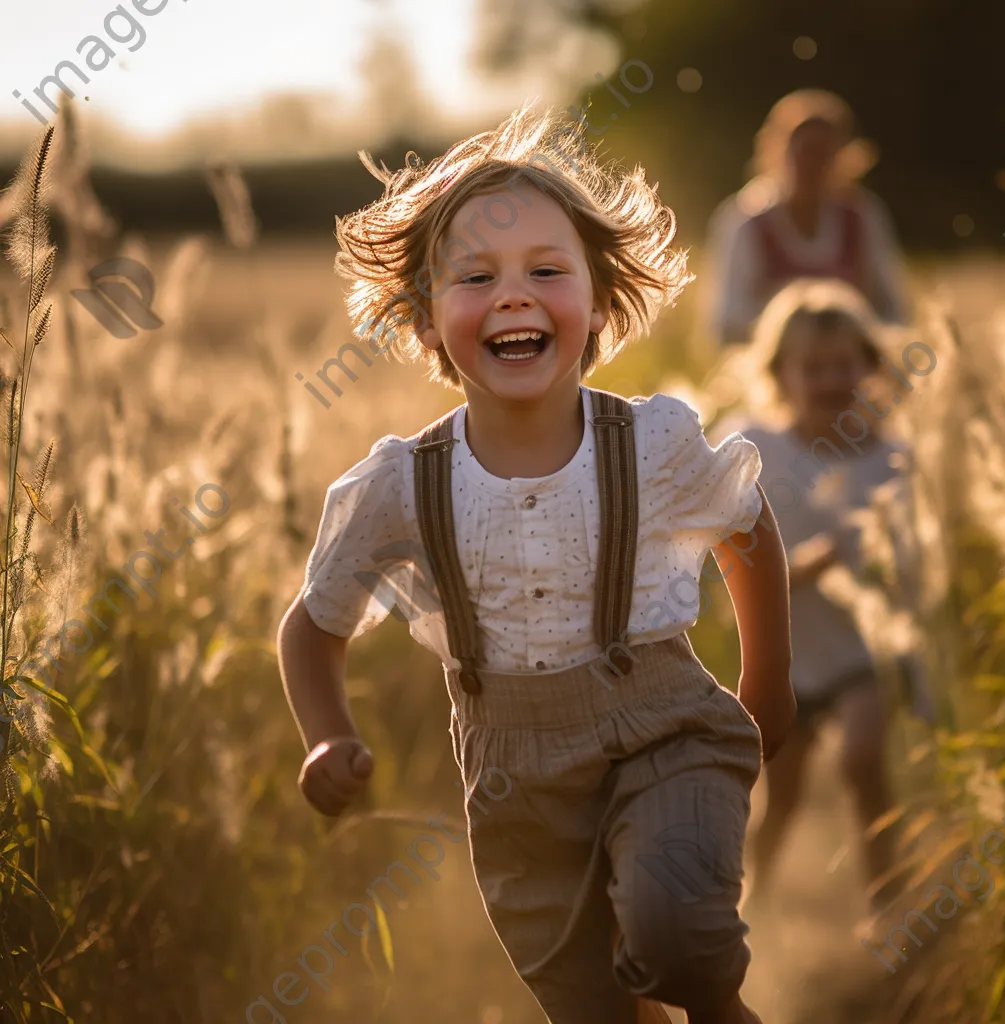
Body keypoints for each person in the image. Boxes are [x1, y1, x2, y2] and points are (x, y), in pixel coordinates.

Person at [276, 106, 796, 1024]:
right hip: (514, 778)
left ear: (599, 304)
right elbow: (314, 624)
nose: (513, 295)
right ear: (427, 321)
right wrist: (326, 733)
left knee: (681, 942)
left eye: (545, 272)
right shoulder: (399, 484)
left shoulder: (652, 441)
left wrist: (769, 685)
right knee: (589, 1006)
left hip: (664, 726)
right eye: (475, 278)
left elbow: (745, 529)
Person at [734, 277, 922, 914]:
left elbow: (917, 558)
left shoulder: (891, 457)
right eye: (812, 367)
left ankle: (886, 900)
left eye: (844, 363)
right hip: (787, 661)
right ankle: (753, 903)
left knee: (865, 761)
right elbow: (728, 564)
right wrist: (799, 571)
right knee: (780, 795)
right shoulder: (756, 450)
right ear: (779, 374)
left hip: (860, 649)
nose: (831, 379)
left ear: (869, 366)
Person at [706, 90, 909, 347]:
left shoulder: (863, 216)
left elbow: (894, 310)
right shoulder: (746, 220)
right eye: (804, 152)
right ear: (777, 152)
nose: (812, 165)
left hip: (850, 369)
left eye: (824, 155)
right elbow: (726, 322)